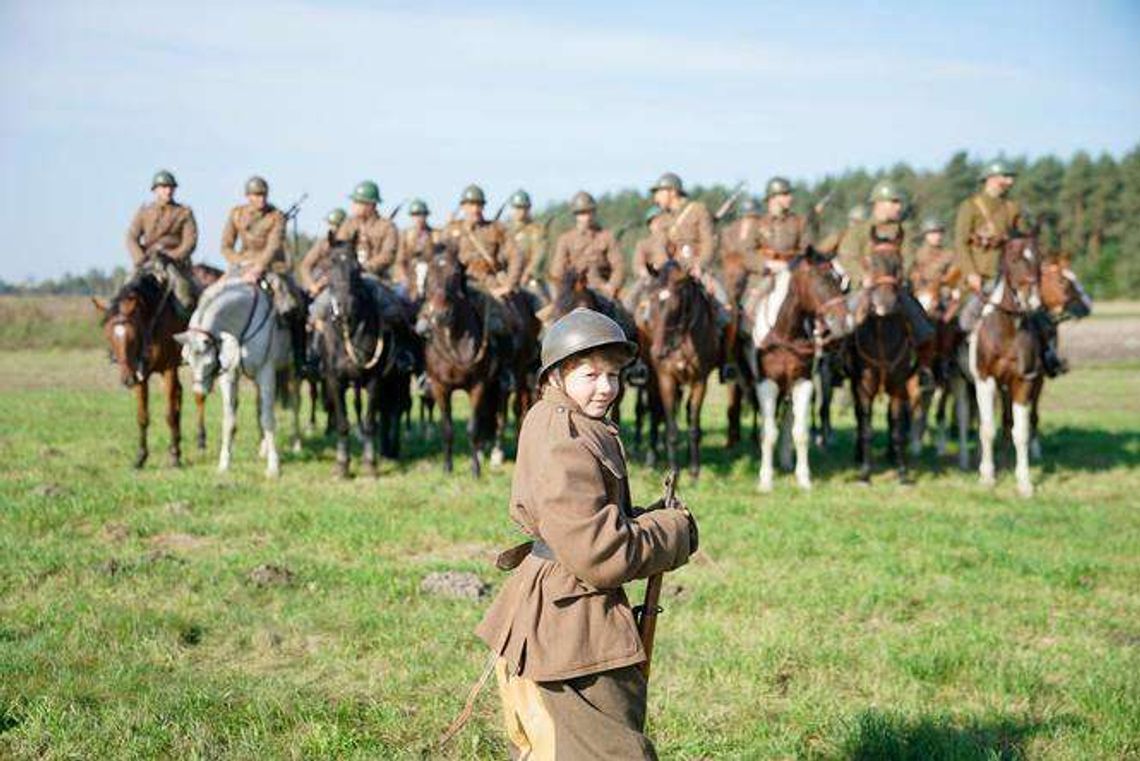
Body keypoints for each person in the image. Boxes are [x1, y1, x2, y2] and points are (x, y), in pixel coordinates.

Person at [476, 308, 697, 760]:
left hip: (567, 616)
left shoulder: (570, 420)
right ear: (557, 375)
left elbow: (590, 517)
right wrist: (673, 533)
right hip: (567, 627)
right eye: (590, 375)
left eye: (614, 375)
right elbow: (599, 552)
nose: (606, 387)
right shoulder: (563, 431)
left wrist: (645, 519)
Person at [849, 181, 937, 388]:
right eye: (894, 202)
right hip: (864, 288)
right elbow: (848, 256)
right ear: (879, 203)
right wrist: (863, 276)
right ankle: (836, 364)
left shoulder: (904, 231)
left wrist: (896, 277)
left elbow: (908, 258)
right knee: (840, 327)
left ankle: (924, 369)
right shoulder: (859, 231)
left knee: (924, 326)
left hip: (894, 288)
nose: (899, 207)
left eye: (899, 202)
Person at [124, 169, 199, 316]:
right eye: (164, 187)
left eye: (171, 187)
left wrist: (172, 256)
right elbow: (131, 237)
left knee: (184, 295)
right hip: (148, 261)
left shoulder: (184, 212)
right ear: (155, 190)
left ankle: (185, 327)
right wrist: (140, 258)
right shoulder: (144, 211)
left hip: (173, 263)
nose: (168, 191)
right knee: (127, 289)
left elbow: (190, 242)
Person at [548, 191, 626, 300]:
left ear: (594, 213)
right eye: (582, 213)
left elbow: (619, 266)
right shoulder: (565, 239)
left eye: (590, 212)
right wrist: (562, 290)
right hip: (574, 291)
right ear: (576, 215)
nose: (587, 217)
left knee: (621, 314)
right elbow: (557, 270)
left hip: (602, 290)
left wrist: (612, 286)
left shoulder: (607, 237)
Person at [506, 189, 548, 296]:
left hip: (528, 278)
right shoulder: (503, 230)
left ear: (529, 208)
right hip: (507, 276)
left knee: (541, 300)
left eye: (524, 208)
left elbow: (539, 255)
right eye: (517, 207)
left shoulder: (537, 230)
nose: (520, 211)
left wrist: (528, 273)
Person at [398, 198, 437, 299]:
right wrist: (403, 277)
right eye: (415, 215)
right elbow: (400, 260)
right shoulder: (405, 234)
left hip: (430, 276)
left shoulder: (434, 234)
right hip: (410, 276)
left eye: (421, 215)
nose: (418, 218)